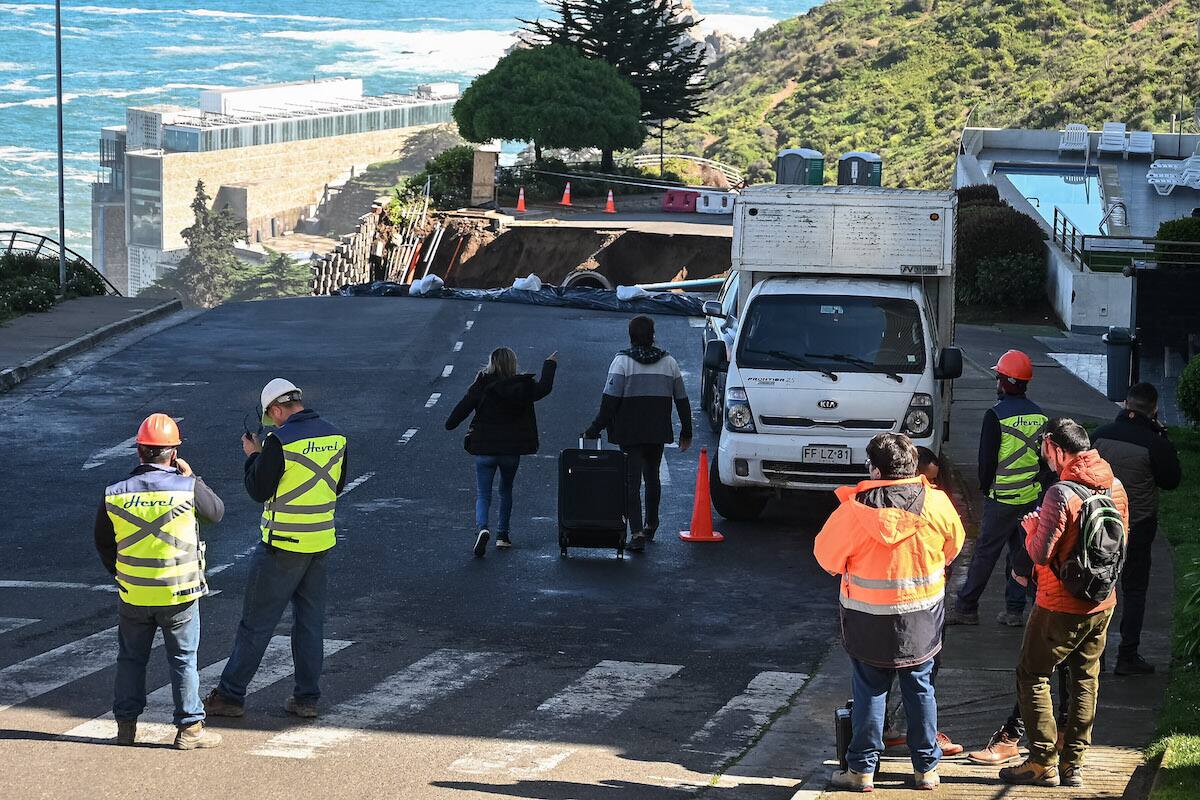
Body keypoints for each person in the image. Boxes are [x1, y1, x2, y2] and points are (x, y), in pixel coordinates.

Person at [815, 433, 966, 792]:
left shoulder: (854, 511)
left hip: (867, 620)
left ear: (876, 468)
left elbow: (826, 558)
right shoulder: (936, 503)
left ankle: (862, 771)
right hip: (922, 619)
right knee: (921, 689)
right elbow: (954, 546)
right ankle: (926, 770)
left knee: (870, 692)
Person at [204, 378, 347, 720]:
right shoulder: (336, 437)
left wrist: (253, 456)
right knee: (309, 624)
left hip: (281, 546)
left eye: (271, 416)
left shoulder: (278, 442)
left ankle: (230, 695)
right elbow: (337, 485)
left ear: (278, 409)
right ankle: (306, 698)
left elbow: (258, 489)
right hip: (320, 542)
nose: (271, 422)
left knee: (256, 625)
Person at [1000, 418, 1128, 788]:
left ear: (1057, 448)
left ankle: (1042, 761)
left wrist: (1029, 530)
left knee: (1033, 675)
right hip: (1102, 601)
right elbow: (1122, 543)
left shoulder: (1060, 493)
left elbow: (1041, 554)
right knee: (1086, 678)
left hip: (1059, 603)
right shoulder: (1115, 485)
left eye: (1044, 449)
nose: (1044, 457)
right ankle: (1074, 764)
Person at [94, 413, 224, 750]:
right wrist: (193, 477)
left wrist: (123, 573)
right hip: (179, 592)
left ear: (139, 452)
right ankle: (190, 729)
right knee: (182, 659)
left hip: (134, 593)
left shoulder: (114, 493)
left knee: (131, 659)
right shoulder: (187, 487)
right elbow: (216, 512)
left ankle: (125, 727)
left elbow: (104, 543)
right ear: (173, 454)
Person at [948, 349, 1048, 627]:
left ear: (1005, 382)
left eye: (998, 377)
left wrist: (985, 488)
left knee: (985, 554)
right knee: (1021, 555)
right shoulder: (1040, 416)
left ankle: (967, 607)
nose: (996, 382)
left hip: (1001, 498)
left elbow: (986, 461)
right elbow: (1044, 460)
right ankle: (1014, 611)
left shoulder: (995, 415)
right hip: (1030, 498)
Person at [1093, 382, 1181, 675]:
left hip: (1101, 525)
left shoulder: (1101, 436)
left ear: (1126, 404)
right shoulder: (1155, 443)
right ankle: (1127, 655)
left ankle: (1097, 654)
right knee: (1134, 589)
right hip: (1139, 526)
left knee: (1100, 587)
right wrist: (1163, 440)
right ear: (1153, 409)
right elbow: (1171, 480)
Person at [584, 315, 692, 553]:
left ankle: (636, 533)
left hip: (629, 432)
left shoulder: (622, 362)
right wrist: (687, 430)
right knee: (652, 477)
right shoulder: (669, 362)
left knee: (631, 483)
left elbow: (609, 402)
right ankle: (651, 525)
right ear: (653, 335)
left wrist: (594, 428)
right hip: (657, 431)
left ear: (630, 336)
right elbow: (682, 400)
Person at [882, 445, 963, 758]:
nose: (930, 488)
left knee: (886, 677)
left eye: (935, 482)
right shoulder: (925, 504)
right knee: (919, 676)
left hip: (885, 607)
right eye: (925, 481)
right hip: (918, 608)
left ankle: (896, 734)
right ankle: (921, 745)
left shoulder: (872, 503)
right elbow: (953, 547)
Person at [445, 347, 557, 557]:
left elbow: (463, 408)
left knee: (483, 493)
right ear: (513, 364)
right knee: (506, 490)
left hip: (485, 448)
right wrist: (550, 364)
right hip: (510, 451)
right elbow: (544, 388)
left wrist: (450, 424)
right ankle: (503, 536)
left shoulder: (482, 383)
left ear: (492, 363)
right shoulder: (522, 386)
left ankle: (482, 528)